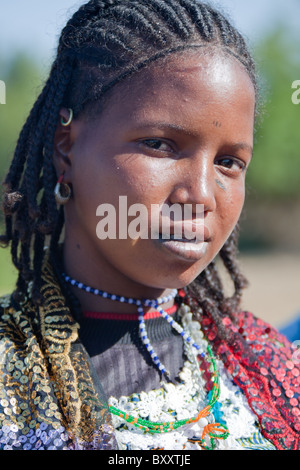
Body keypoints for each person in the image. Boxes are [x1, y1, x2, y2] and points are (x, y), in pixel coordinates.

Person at [0, 0, 299, 451]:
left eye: (228, 162)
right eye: (160, 144)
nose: (200, 194)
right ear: (66, 150)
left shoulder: (271, 367)